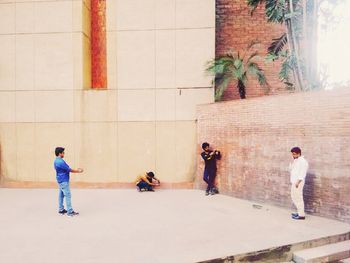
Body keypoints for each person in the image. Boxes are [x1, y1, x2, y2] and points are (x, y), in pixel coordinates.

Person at [54, 147, 84, 217]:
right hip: (64, 180)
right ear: (60, 153)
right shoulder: (60, 162)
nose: (64, 154)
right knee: (68, 195)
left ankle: (61, 209)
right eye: (63, 152)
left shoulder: (56, 161)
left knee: (61, 195)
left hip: (60, 180)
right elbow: (69, 169)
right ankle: (70, 211)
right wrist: (78, 171)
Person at [289, 147, 309, 220]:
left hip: (298, 183)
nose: (293, 155)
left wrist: (298, 182)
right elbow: (292, 170)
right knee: (294, 197)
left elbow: (302, 173)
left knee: (298, 198)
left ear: (299, 153)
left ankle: (301, 215)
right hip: (294, 182)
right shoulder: (296, 160)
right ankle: (299, 212)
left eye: (294, 154)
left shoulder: (303, 161)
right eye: (292, 154)